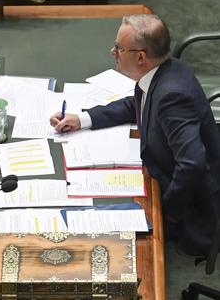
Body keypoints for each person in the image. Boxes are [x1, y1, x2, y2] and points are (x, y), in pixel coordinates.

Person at [50, 14, 220, 256]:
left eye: (119, 48)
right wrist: (84, 119)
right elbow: (136, 103)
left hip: (192, 210)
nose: (113, 51)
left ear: (141, 56)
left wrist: (166, 212)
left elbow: (192, 164)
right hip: (162, 178)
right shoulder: (162, 73)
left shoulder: (173, 97)